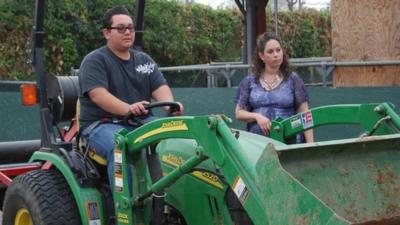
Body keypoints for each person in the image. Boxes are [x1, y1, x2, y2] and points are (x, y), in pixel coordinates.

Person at [78, 5, 183, 188]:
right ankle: (124, 210)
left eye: (130, 28)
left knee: (174, 138)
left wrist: (171, 106)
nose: (127, 32)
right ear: (106, 33)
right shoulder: (95, 61)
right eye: (120, 28)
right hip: (101, 124)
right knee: (120, 146)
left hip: (138, 121)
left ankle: (166, 198)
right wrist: (128, 108)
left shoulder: (144, 60)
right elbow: (98, 95)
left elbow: (160, 87)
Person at [235, 32, 313, 143]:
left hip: (290, 143)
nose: (276, 54)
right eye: (270, 52)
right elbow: (239, 113)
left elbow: (305, 114)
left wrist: (310, 145)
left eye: (278, 50)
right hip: (258, 145)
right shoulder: (249, 81)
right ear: (261, 56)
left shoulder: (293, 79)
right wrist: (257, 116)